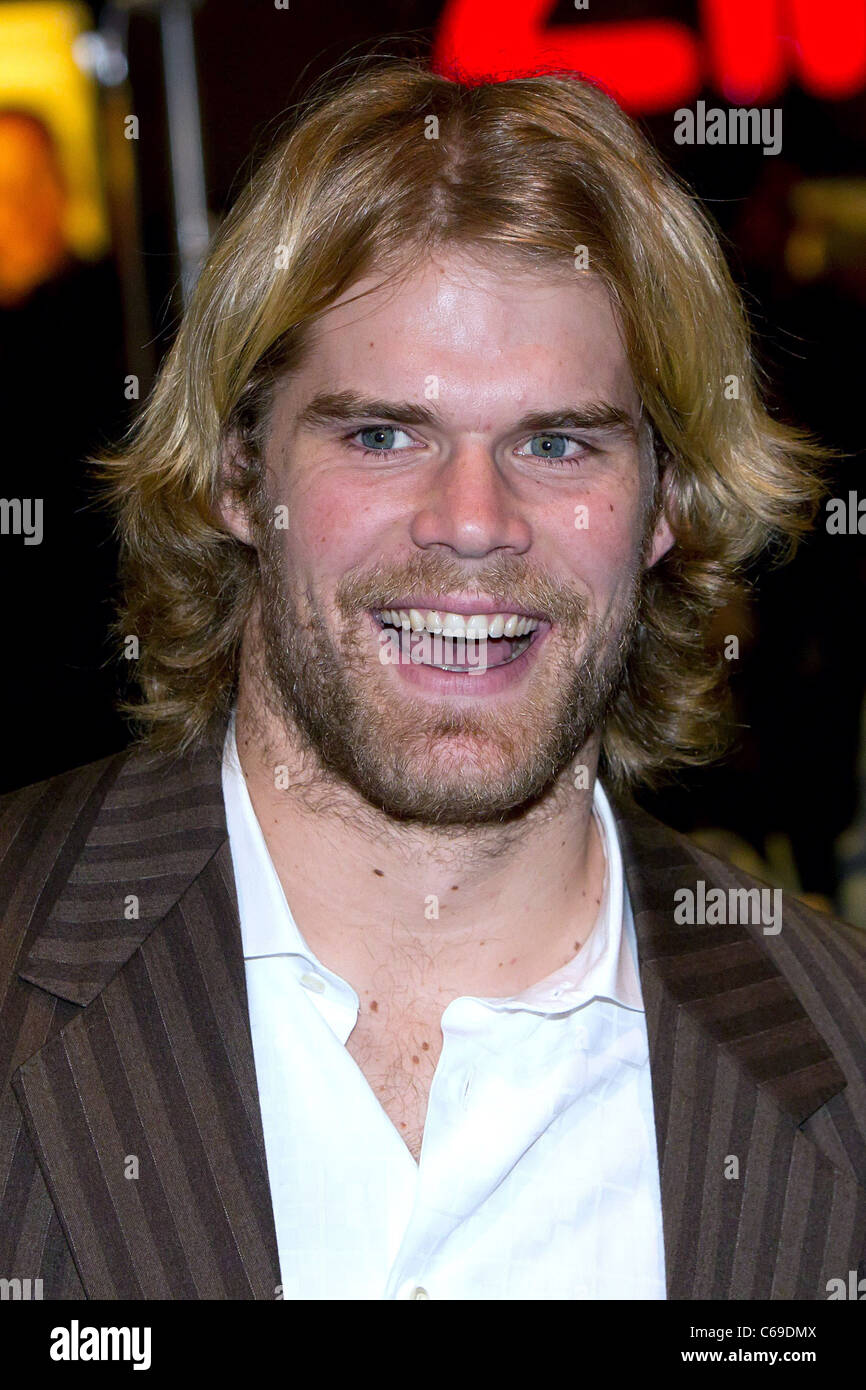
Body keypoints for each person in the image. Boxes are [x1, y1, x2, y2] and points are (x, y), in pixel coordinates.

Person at [1, 56, 864, 1302]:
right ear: (238, 474)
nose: (470, 522)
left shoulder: (839, 1061)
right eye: (381, 434)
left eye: (555, 443)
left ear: (665, 502)